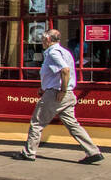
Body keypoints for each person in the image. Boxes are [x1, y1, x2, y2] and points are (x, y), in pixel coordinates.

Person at [15, 28, 104, 164]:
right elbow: (56, 74)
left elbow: (65, 70)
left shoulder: (53, 52)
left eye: (43, 39)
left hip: (56, 94)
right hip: (66, 94)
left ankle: (29, 153)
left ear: (48, 40)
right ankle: (93, 151)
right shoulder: (65, 52)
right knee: (73, 125)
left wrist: (61, 90)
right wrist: (44, 87)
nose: (42, 42)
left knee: (37, 123)